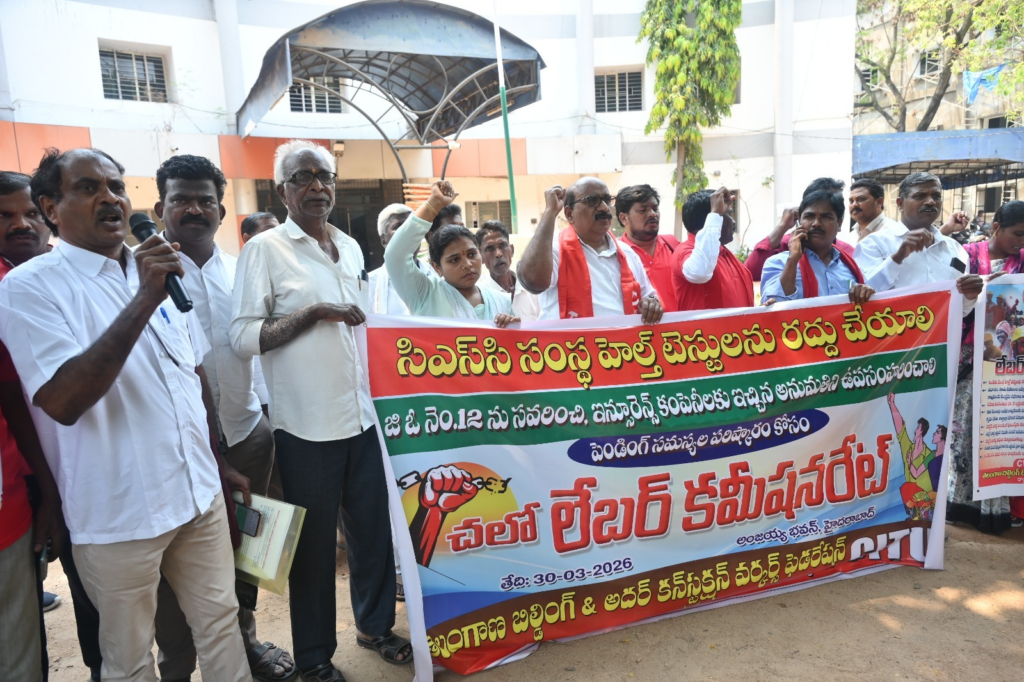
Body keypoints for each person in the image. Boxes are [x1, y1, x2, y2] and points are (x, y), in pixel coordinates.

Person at [0, 148, 251, 681]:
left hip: (198, 494)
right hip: (118, 515)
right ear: (50, 207)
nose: (110, 198)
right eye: (88, 187)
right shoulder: (27, 288)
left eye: (116, 186)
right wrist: (142, 301)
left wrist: (218, 458)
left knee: (221, 625)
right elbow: (62, 401)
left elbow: (194, 374)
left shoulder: (154, 266)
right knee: (130, 657)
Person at [231, 140, 409, 682]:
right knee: (312, 550)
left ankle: (375, 627)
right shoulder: (264, 250)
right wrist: (311, 314)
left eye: (324, 176)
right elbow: (242, 337)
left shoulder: (350, 247)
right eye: (302, 177)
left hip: (362, 417)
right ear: (281, 190)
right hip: (306, 427)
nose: (316, 186)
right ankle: (313, 657)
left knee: (372, 534)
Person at [152, 155, 295, 682]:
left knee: (245, 552)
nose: (194, 209)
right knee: (175, 564)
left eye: (205, 200)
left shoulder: (241, 270)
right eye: (181, 200)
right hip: (177, 451)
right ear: (160, 207)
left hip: (245, 433)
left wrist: (266, 422)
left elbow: (254, 351)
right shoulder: (138, 274)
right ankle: (176, 663)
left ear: (220, 207)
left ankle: (245, 642)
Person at [0, 170, 64, 681]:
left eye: (30, 213)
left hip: (49, 473)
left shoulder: (66, 274)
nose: (20, 224)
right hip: (23, 478)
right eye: (4, 216)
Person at [947, 200, 1024, 534]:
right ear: (995, 228)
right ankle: (958, 503)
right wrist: (976, 286)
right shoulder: (964, 254)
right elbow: (946, 293)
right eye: (1017, 234)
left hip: (1007, 364)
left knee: (998, 432)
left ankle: (995, 508)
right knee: (963, 429)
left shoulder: (1022, 261)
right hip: (965, 355)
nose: (1021, 241)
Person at [517, 178, 663, 324]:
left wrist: (651, 303)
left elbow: (649, 296)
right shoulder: (555, 251)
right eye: (593, 201)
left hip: (624, 339)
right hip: (573, 339)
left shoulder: (628, 253)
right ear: (569, 214)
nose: (604, 208)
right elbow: (533, 281)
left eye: (607, 200)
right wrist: (550, 212)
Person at [854, 171, 983, 316]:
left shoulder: (956, 249)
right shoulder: (873, 245)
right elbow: (863, 296)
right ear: (900, 204)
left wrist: (970, 296)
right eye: (920, 196)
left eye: (936, 196)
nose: (931, 202)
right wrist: (897, 257)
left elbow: (961, 311)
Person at [385, 182, 516, 324]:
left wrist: (514, 327)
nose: (467, 264)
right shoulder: (426, 294)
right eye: (454, 260)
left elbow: (515, 337)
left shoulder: (502, 300)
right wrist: (433, 203)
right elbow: (395, 256)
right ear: (437, 267)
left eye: (472, 254)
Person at [760, 189, 874, 304]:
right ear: (799, 223)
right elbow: (775, 308)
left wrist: (866, 294)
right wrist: (793, 259)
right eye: (809, 216)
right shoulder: (777, 263)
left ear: (839, 224)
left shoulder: (853, 268)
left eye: (826, 217)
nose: (816, 223)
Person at [743, 177, 855, 281]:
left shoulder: (848, 253)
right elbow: (749, 272)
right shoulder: (785, 247)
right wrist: (783, 225)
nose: (817, 223)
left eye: (836, 202)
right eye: (810, 215)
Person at [672, 187, 753, 311]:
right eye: (727, 214)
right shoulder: (684, 251)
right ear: (709, 220)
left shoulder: (726, 254)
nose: (733, 221)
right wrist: (715, 214)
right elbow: (700, 272)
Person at [615, 184, 680, 312]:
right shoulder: (616, 254)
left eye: (655, 209)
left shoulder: (673, 246)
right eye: (643, 210)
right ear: (624, 218)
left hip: (682, 325)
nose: (652, 214)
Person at [887, 393, 942, 520]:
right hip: (912, 499)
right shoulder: (908, 447)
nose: (915, 430)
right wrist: (892, 405)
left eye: (918, 428)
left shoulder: (929, 454)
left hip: (927, 500)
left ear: (921, 431)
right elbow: (900, 427)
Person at [476, 219, 540, 321]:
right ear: (481, 258)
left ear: (512, 250)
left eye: (502, 245)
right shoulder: (480, 296)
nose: (498, 254)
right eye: (490, 248)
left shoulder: (532, 288)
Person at [368, 203, 414, 315]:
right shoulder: (369, 284)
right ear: (384, 240)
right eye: (398, 227)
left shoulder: (435, 278)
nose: (407, 232)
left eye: (411, 226)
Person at [848, 178, 901, 243]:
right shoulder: (850, 236)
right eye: (851, 201)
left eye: (861, 199)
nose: (854, 205)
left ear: (879, 202)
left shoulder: (895, 232)